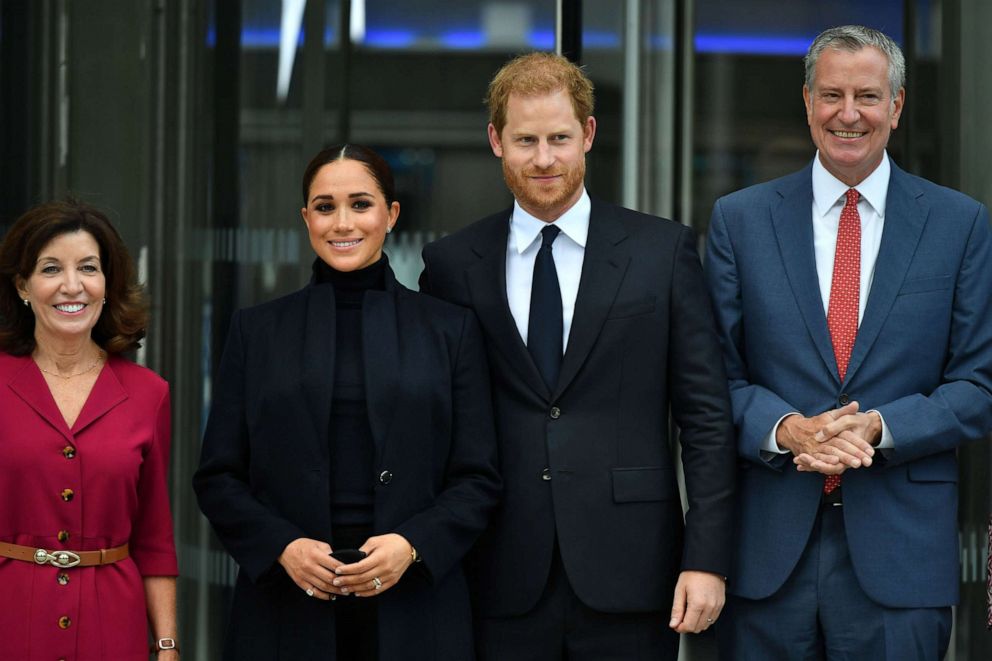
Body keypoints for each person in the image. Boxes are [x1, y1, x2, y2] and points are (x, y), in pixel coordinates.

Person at [419, 52, 736, 660]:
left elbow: (706, 420)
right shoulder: (452, 265)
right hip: (495, 571)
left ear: (588, 135)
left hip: (634, 572)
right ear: (495, 141)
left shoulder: (661, 252)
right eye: (525, 140)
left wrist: (708, 559)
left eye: (560, 138)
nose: (543, 158)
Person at [705, 25, 992, 660]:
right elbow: (708, 379)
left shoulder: (960, 224)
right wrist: (786, 429)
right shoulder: (740, 220)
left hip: (901, 558)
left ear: (896, 106)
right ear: (807, 102)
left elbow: (979, 385)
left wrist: (879, 428)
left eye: (867, 95)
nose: (848, 114)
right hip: (766, 554)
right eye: (831, 95)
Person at [193, 144, 501, 660]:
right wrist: (282, 547)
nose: (342, 223)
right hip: (285, 606)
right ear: (305, 217)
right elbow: (218, 476)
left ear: (391, 214)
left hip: (416, 604)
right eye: (324, 206)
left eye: (360, 204)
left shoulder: (450, 330)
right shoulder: (257, 331)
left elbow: (479, 477)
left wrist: (413, 544)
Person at [0, 199, 179, 660]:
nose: (71, 286)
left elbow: (154, 540)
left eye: (88, 267)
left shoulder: (149, 393)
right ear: (23, 285)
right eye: (51, 268)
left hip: (113, 627)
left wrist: (167, 647)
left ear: (107, 284)